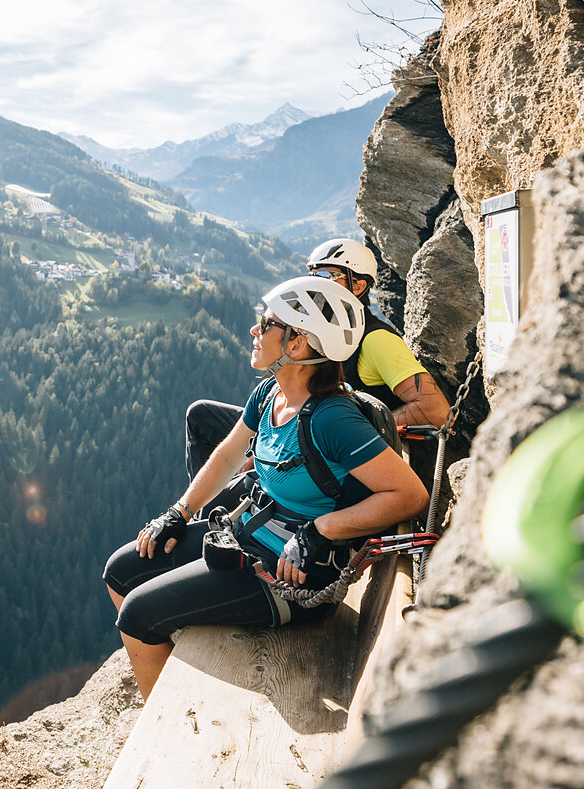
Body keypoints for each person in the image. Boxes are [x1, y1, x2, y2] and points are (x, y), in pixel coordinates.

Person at [104, 276, 429, 699]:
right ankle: (164, 673)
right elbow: (224, 458)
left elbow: (411, 495)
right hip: (250, 537)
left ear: (298, 345)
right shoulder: (269, 394)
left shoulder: (333, 420)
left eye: (267, 323)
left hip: (294, 576)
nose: (255, 330)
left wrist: (321, 529)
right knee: (121, 569)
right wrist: (179, 512)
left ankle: (164, 715)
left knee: (138, 614)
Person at [184, 239, 447, 481]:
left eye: (326, 276)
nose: (315, 284)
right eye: (312, 276)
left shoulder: (376, 340)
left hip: (326, 437)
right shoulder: (319, 326)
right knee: (201, 415)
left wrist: (357, 432)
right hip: (303, 423)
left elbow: (435, 410)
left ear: (358, 285)